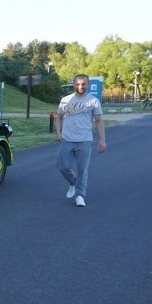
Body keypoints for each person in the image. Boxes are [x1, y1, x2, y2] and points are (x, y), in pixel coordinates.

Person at [55, 73, 107, 207]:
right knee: (62, 166)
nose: (80, 86)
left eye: (83, 84)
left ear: (88, 84)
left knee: (83, 169)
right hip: (67, 139)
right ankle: (73, 181)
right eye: (78, 84)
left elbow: (99, 121)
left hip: (84, 140)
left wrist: (102, 140)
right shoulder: (66, 100)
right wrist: (58, 132)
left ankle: (80, 195)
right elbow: (59, 117)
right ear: (73, 85)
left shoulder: (93, 101)